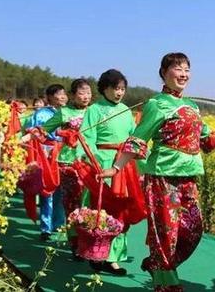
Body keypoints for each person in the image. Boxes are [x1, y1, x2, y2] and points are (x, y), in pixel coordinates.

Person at [100, 53, 215, 291]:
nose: (183, 74)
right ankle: (167, 284)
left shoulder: (192, 106)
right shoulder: (156, 104)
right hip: (163, 177)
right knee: (166, 234)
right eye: (177, 69)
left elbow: (207, 136)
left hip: (188, 178)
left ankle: (157, 264)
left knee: (193, 230)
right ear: (163, 73)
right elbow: (138, 139)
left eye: (187, 69)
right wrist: (116, 168)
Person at [80, 69, 136, 276]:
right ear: (104, 89)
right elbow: (86, 137)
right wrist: (93, 162)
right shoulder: (95, 109)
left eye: (122, 89)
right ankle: (96, 251)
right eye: (115, 88)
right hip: (102, 163)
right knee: (101, 208)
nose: (119, 93)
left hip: (123, 165)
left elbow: (133, 138)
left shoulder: (127, 110)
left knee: (122, 210)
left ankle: (114, 258)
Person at [42, 78, 92, 258]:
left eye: (88, 93)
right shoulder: (64, 112)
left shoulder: (94, 112)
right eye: (81, 93)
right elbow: (45, 129)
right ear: (72, 95)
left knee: (89, 204)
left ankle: (88, 241)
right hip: (68, 163)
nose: (86, 97)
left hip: (90, 162)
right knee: (72, 203)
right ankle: (75, 242)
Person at [25, 85, 68, 240]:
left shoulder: (69, 112)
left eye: (64, 94)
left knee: (62, 190)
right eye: (58, 94)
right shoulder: (40, 113)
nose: (63, 97)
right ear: (49, 97)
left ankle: (58, 223)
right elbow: (30, 131)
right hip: (46, 154)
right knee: (46, 190)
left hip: (64, 153)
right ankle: (46, 226)